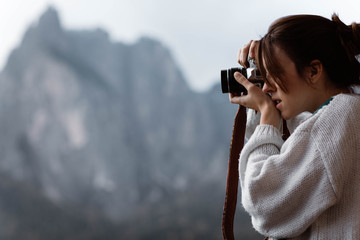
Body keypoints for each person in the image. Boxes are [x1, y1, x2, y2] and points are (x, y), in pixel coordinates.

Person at [229, 14, 360, 239]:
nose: (267, 87)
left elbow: (264, 203)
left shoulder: (341, 115)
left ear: (314, 71)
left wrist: (268, 117)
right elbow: (297, 149)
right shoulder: (341, 116)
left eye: (274, 73)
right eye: (264, 75)